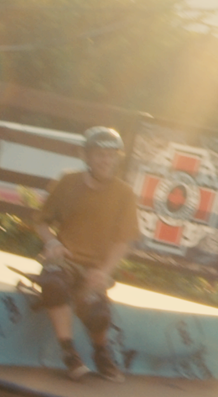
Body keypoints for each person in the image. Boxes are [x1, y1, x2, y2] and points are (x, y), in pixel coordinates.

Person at [29, 126, 140, 381]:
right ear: (88, 156)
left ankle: (101, 353)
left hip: (94, 267)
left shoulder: (124, 193)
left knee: (99, 314)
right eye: (100, 154)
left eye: (111, 155)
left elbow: (124, 240)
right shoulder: (68, 182)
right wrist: (51, 242)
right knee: (54, 284)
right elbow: (40, 222)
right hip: (65, 259)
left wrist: (104, 272)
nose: (106, 160)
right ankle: (69, 353)